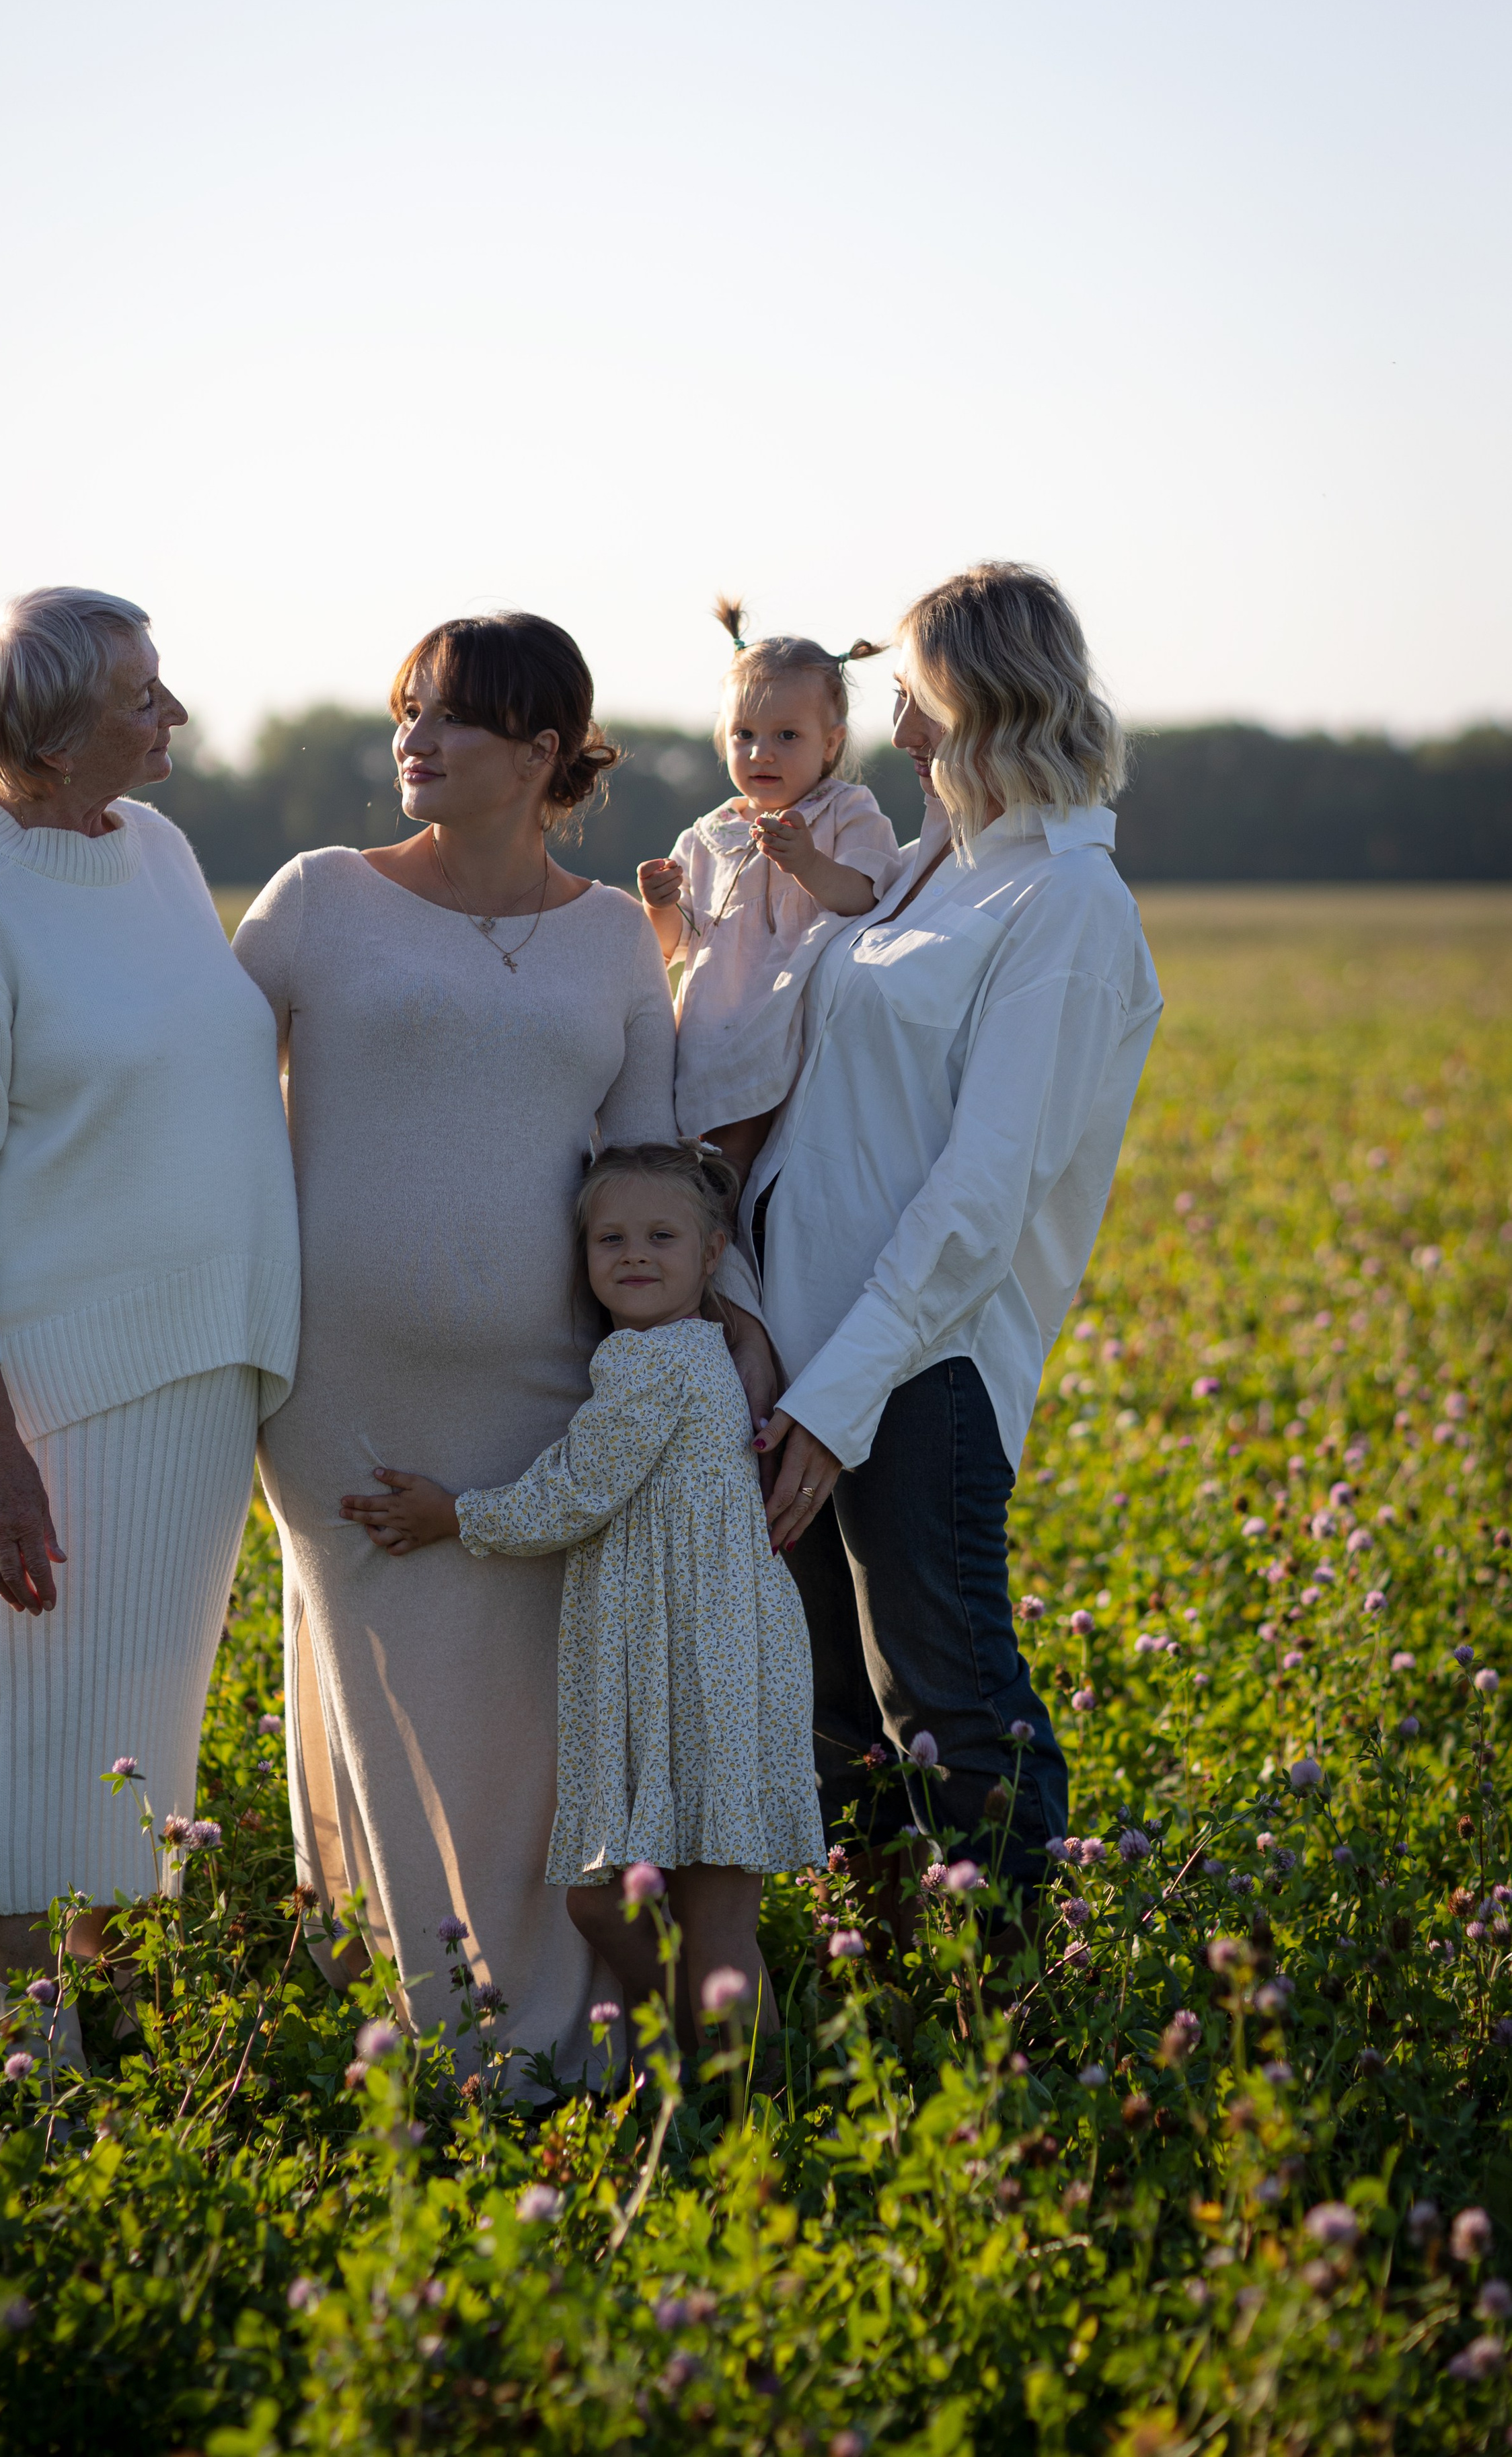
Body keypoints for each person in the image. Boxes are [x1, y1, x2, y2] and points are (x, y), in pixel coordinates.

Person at [233, 613, 771, 2096]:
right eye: (407, 709)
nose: (413, 738)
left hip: (547, 1394)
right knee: (396, 1700)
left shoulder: (608, 937)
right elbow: (195, 1100)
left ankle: (570, 2034)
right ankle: (462, 2035)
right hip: (339, 1390)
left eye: (451, 716)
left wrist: (735, 1327)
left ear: (541, 753)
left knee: (537, 1726)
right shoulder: (316, 899)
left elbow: (653, 1167)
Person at [0, 587, 300, 2079]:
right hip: (44, 1398)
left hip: (195, 1378)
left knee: (138, 1733)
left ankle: (112, 2052)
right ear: (53, 743)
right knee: (27, 1730)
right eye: (141, 695)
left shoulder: (160, 851)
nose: (173, 713)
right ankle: (35, 2069)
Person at [747, 563, 1163, 1947]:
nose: (898, 732)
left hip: (921, 1367)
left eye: (918, 701)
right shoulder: (936, 863)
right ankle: (880, 1984)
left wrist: (837, 1398)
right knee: (835, 1715)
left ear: (991, 704)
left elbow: (983, 1195)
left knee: (950, 1708)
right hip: (805, 1346)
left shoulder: (1068, 904)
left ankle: (1020, 2012)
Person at [345, 1141, 824, 2057]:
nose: (634, 1254)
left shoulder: (655, 1364)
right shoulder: (696, 1354)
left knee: (687, 1918)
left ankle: (753, 2102)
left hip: (703, 1671)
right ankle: (717, 2073)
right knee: (632, 1909)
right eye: (611, 1239)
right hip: (711, 1663)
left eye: (661, 1237)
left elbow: (575, 1493)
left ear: (712, 1254)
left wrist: (453, 1515)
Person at [636, 598, 903, 1180]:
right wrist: (660, 905)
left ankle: (730, 1218)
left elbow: (865, 897)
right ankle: (710, 1221)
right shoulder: (707, 835)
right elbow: (673, 945)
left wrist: (806, 862)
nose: (762, 752)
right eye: (745, 734)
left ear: (830, 743)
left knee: (764, 1162)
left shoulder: (845, 811)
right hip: (718, 1021)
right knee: (707, 1157)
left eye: (787, 735)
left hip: (798, 1014)